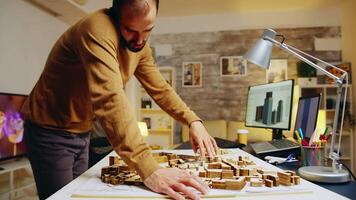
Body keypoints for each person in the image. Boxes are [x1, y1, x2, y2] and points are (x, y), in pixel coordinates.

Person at [21, 0, 218, 199]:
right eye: (130, 30)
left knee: (77, 196)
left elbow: (160, 88)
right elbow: (110, 98)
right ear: (115, 16)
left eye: (147, 30)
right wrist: (149, 169)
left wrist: (192, 120)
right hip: (49, 132)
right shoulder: (96, 30)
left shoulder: (140, 46)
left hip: (81, 131)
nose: (139, 40)